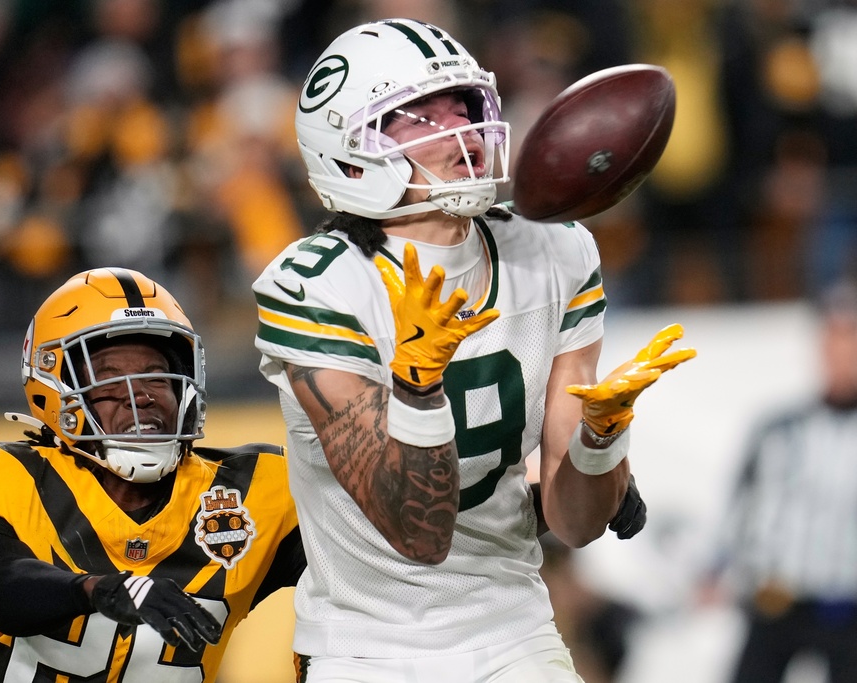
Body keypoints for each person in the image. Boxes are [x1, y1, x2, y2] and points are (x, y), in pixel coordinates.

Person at [251, 18, 695, 682]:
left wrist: (600, 440)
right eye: (419, 116)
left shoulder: (555, 250)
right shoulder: (320, 283)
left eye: (462, 104)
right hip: (365, 647)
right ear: (348, 154)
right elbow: (418, 535)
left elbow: (574, 525)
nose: (460, 129)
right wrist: (418, 386)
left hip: (512, 627)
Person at [0, 267, 305, 682]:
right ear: (53, 386)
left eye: (155, 374)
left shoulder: (251, 491)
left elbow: (362, 572)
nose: (141, 395)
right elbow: (0, 590)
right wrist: (98, 590)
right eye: (109, 378)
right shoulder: (10, 477)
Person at [711, 279, 857, 683]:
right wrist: (716, 566)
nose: (841, 355)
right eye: (833, 342)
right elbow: (741, 501)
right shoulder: (780, 428)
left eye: (850, 343)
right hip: (781, 599)